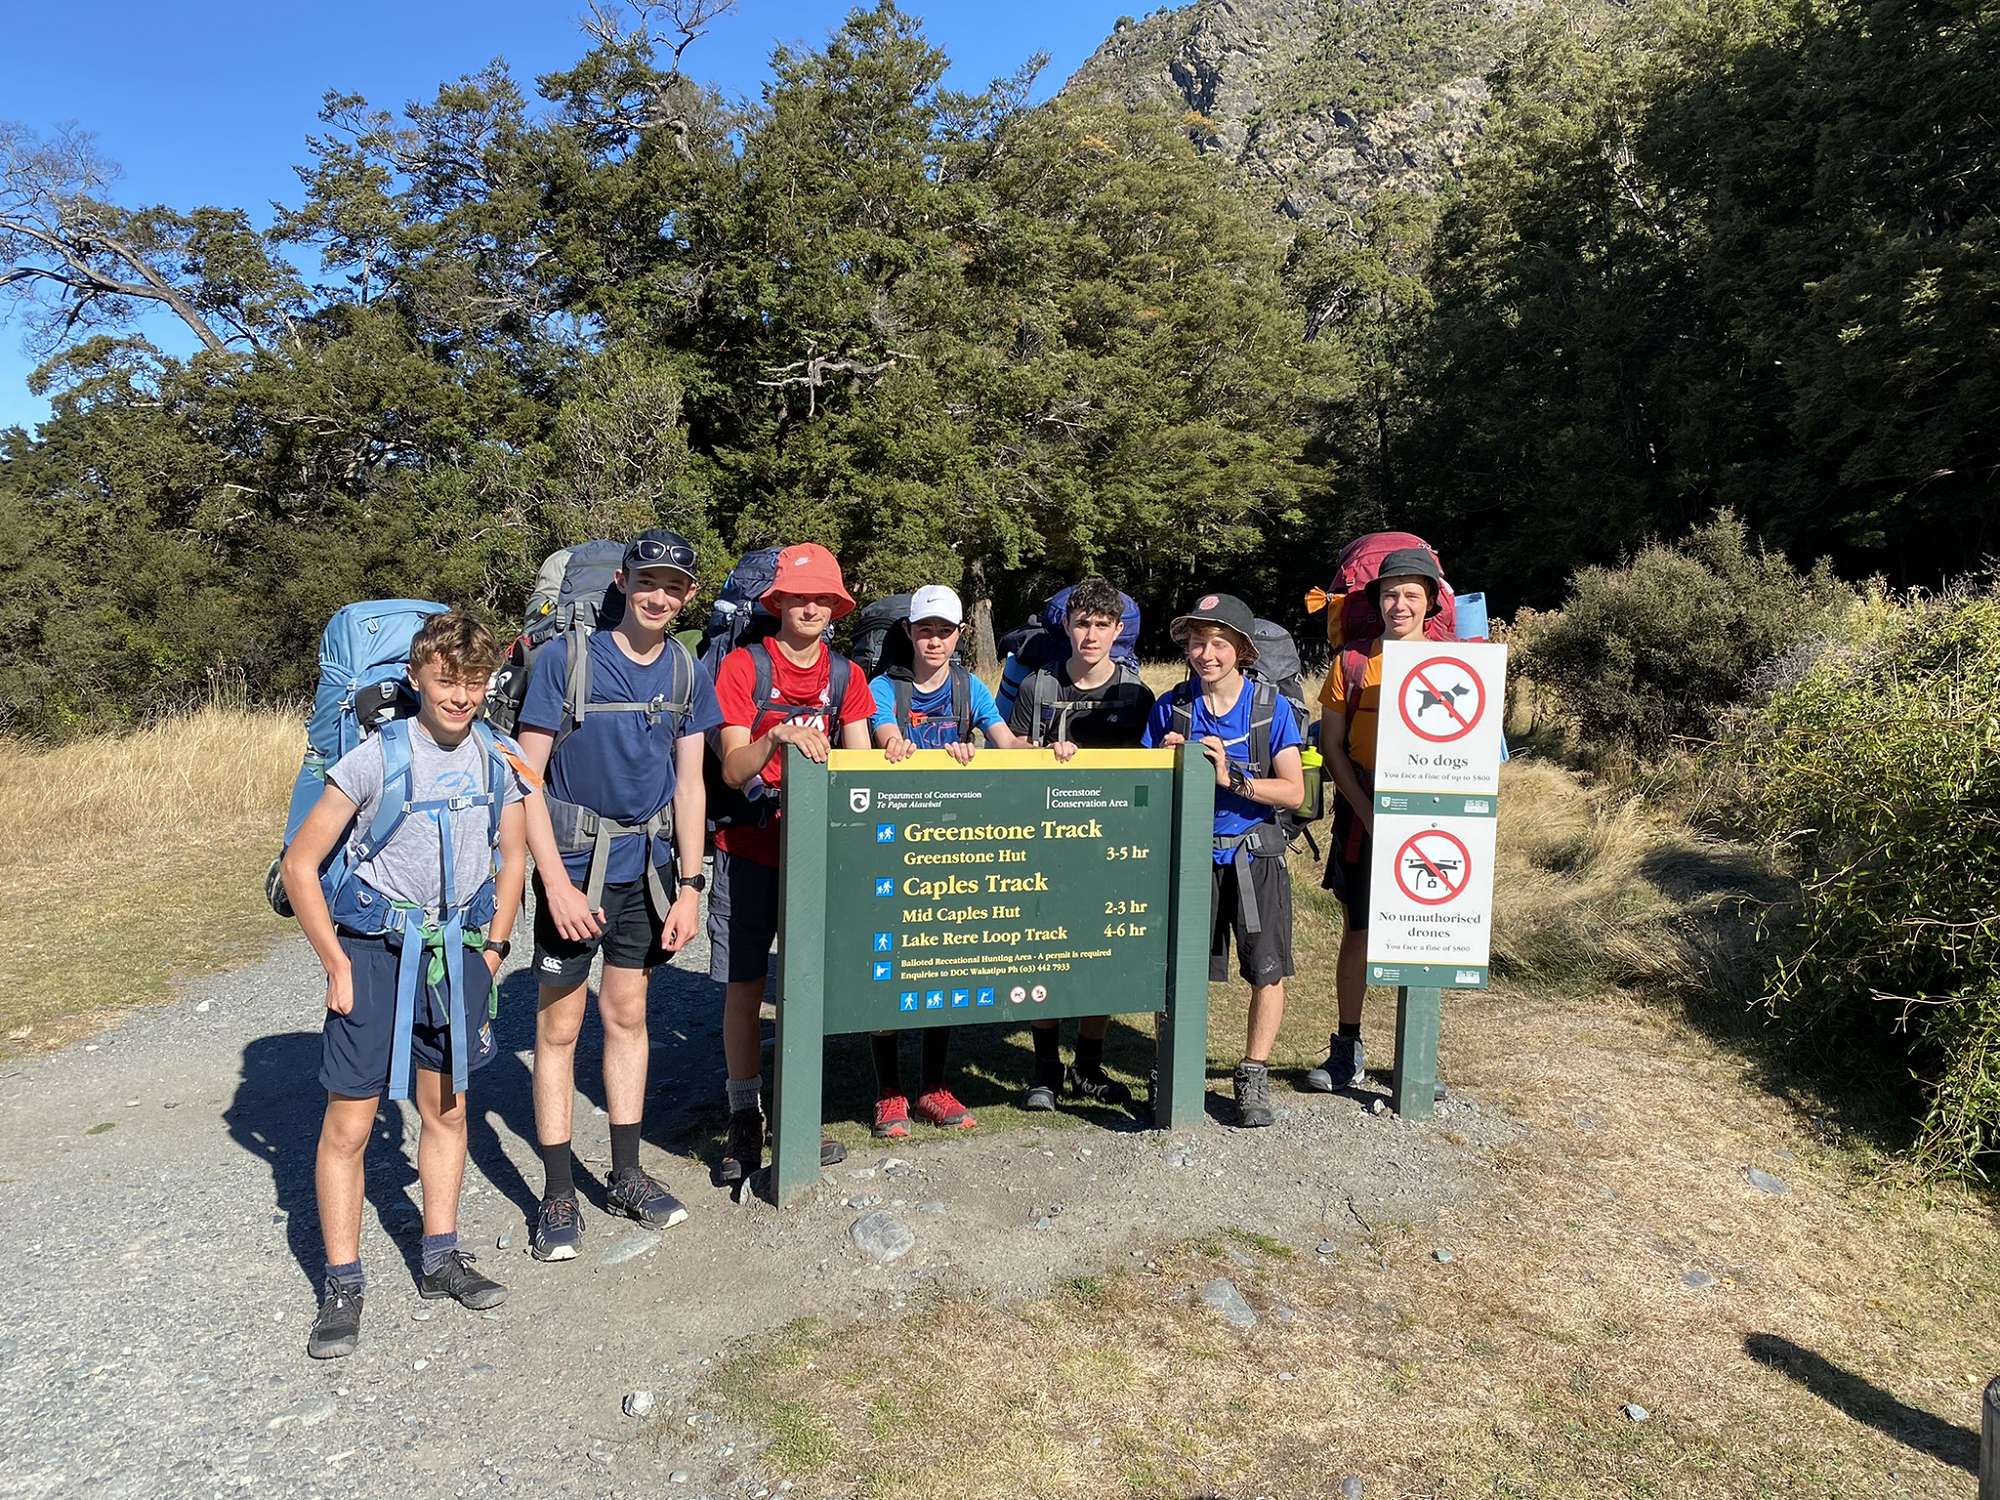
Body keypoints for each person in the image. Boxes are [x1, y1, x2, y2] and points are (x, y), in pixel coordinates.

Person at [282, 612, 531, 1359]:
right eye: (447, 680)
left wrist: (493, 952)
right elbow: (300, 865)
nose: (461, 696)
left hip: (458, 953)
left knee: (446, 1109)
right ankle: (343, 1283)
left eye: (474, 681)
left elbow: (512, 858)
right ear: (416, 676)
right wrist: (335, 964)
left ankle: (440, 1257)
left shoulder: (498, 757)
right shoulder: (375, 758)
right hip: (373, 952)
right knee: (350, 1124)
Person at [514, 530, 722, 1261]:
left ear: (688, 596)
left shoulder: (687, 670)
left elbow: (690, 785)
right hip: (574, 870)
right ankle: (557, 1191)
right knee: (560, 1029)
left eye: (674, 587)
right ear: (623, 583)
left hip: (647, 872)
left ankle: (626, 1174)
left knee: (628, 1015)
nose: (658, 597)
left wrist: (690, 888)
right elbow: (525, 781)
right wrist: (555, 885)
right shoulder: (563, 661)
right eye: (647, 582)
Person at [711, 542, 874, 1183]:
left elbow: (858, 769)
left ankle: (799, 1112)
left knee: (805, 984)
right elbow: (732, 767)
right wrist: (774, 737)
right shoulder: (743, 667)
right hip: (749, 849)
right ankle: (743, 1115)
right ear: (777, 603)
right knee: (746, 986)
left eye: (823, 599)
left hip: (815, 854)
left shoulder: (846, 676)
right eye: (799, 597)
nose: (811, 608)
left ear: (836, 607)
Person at [865, 584, 1025, 1139]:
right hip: (891, 842)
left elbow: (1006, 744)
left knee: (944, 963)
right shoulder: (884, 687)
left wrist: (1052, 750)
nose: (934, 641)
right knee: (886, 968)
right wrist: (897, 746)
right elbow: (885, 735)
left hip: (950, 846)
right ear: (909, 632)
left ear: (960, 635)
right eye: (925, 630)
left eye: (945, 631)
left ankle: (932, 1086)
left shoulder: (969, 687)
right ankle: (888, 1091)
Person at [1145, 592, 1306, 1127]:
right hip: (1190, 855)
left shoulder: (1269, 709)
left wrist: (1230, 778)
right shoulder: (1171, 707)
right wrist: (1165, 763)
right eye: (1196, 642)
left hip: (1254, 855)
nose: (1205, 654)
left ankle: (1253, 1073)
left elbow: (1293, 791)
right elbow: (1143, 789)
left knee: (1267, 970)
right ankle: (1172, 1066)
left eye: (1218, 643)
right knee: (1178, 970)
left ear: (1242, 649)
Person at [1007, 575, 1157, 1112]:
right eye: (1081, 624)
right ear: (1067, 627)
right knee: (1042, 953)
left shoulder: (1137, 695)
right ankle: (1045, 1068)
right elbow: (1008, 750)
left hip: (1109, 844)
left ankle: (1089, 1066)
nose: (1090, 635)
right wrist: (1040, 753)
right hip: (1043, 841)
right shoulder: (1037, 686)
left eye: (1101, 625)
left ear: (1118, 631)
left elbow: (1149, 769)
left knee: (1101, 951)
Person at [1304, 547, 1444, 1093]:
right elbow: (1331, 746)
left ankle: (1417, 1057)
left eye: (1411, 594)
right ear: (1377, 600)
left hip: (1435, 816)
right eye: (1390, 594)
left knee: (1429, 933)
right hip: (1362, 810)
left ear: (1430, 602)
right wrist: (1367, 810)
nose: (1399, 604)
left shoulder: (1454, 665)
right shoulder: (1353, 662)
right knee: (1359, 930)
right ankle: (1347, 1048)